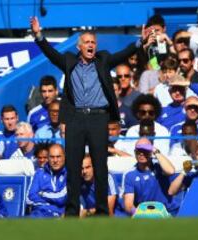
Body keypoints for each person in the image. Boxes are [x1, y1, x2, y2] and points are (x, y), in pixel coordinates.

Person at [30, 16, 148, 216]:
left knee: (100, 166)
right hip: (75, 118)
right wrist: (39, 35)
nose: (91, 45)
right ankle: (72, 211)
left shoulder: (103, 59)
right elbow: (50, 53)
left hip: (98, 118)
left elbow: (123, 54)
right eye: (87, 42)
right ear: (79, 47)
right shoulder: (69, 61)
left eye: (93, 42)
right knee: (73, 167)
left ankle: (102, 212)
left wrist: (140, 41)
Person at [122, 137, 179, 216]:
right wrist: (139, 214)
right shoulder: (130, 175)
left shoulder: (159, 167)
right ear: (135, 152)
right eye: (139, 151)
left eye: (145, 151)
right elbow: (128, 205)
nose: (141, 154)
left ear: (151, 151)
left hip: (167, 212)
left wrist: (155, 151)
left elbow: (171, 171)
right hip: (143, 213)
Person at [26, 144, 67, 218]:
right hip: (39, 213)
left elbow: (62, 198)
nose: (55, 160)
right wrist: (49, 204)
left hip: (59, 215)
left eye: (58, 157)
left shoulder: (69, 174)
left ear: (64, 157)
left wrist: (42, 194)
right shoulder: (39, 173)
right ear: (48, 158)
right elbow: (30, 197)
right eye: (52, 157)